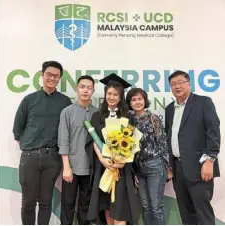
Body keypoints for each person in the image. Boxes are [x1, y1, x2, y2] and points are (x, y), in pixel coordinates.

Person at [12, 61, 71, 225]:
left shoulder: (65, 102)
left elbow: (68, 130)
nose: (52, 78)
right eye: (49, 75)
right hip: (29, 157)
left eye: (56, 76)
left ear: (60, 78)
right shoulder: (29, 100)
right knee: (28, 202)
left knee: (46, 202)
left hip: (52, 158)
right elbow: (17, 130)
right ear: (42, 75)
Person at [165, 70, 220, 225]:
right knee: (186, 214)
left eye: (181, 82)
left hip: (200, 168)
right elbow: (170, 137)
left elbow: (213, 133)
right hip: (178, 168)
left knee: (203, 213)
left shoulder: (203, 102)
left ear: (189, 83)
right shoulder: (169, 109)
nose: (177, 86)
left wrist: (210, 160)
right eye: (173, 84)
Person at [86, 73, 138, 225]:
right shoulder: (97, 116)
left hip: (121, 169)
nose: (112, 97)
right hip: (104, 168)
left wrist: (121, 163)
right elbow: (93, 141)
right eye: (109, 94)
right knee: (107, 206)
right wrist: (102, 159)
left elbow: (133, 143)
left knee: (120, 208)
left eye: (115, 94)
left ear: (120, 97)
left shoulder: (129, 117)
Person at [126, 88, 172, 225]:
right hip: (139, 169)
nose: (137, 102)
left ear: (145, 100)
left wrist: (168, 168)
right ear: (129, 102)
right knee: (145, 207)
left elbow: (163, 143)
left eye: (140, 99)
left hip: (155, 165)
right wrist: (132, 171)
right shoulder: (128, 121)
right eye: (133, 99)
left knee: (156, 206)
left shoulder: (153, 118)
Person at [58, 75, 98, 225]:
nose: (85, 90)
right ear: (77, 89)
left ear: (93, 91)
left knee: (85, 206)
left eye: (89, 88)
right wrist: (66, 167)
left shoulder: (97, 113)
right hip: (72, 168)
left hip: (91, 168)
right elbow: (63, 140)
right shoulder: (67, 112)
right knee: (68, 204)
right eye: (82, 87)